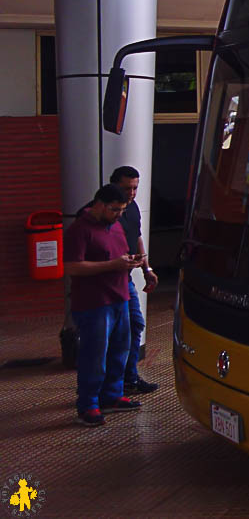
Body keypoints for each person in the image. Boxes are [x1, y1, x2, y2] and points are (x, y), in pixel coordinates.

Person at [65, 184, 145, 426]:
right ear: (98, 204)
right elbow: (72, 267)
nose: (118, 214)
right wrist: (113, 266)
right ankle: (88, 405)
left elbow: (117, 255)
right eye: (114, 210)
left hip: (120, 298)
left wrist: (132, 262)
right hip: (94, 303)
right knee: (94, 356)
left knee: (120, 350)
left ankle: (112, 396)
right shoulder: (80, 230)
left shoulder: (116, 226)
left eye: (122, 210)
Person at [109, 165, 160, 395]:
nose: (131, 193)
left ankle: (129, 377)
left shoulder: (132, 208)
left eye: (135, 188)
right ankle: (114, 383)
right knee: (117, 332)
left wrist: (146, 268)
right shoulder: (108, 211)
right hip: (109, 280)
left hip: (126, 277)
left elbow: (137, 236)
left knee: (135, 324)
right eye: (127, 188)